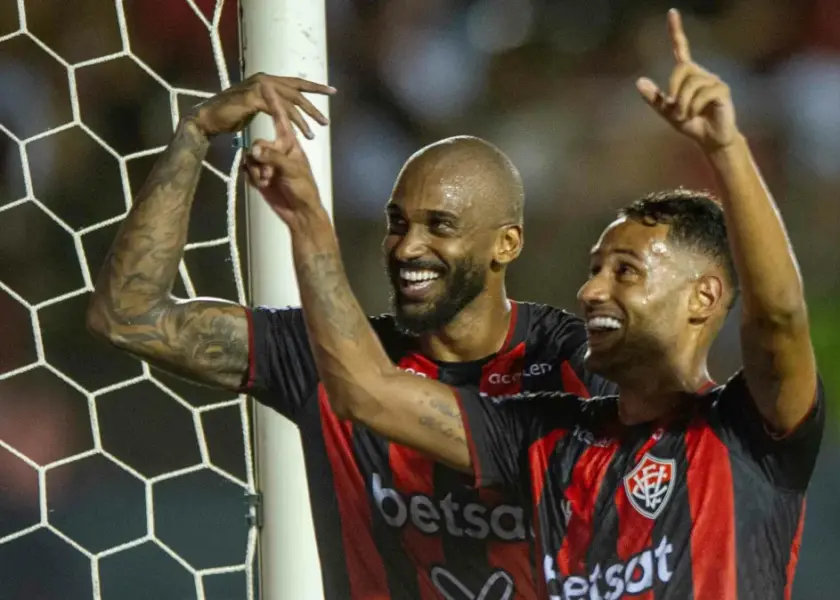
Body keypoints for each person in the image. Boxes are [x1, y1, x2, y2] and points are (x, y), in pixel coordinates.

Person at [245, 8, 823, 599]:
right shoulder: (543, 436)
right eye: (595, 269)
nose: (591, 290)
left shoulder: (748, 435)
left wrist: (727, 151)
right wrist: (309, 223)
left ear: (703, 297)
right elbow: (365, 390)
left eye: (624, 272)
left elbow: (778, 317)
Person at [86, 75, 613, 597]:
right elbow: (127, 315)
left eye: (440, 226)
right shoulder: (324, 357)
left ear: (506, 244)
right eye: (398, 223)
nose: (408, 248)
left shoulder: (572, 361)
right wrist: (195, 131)